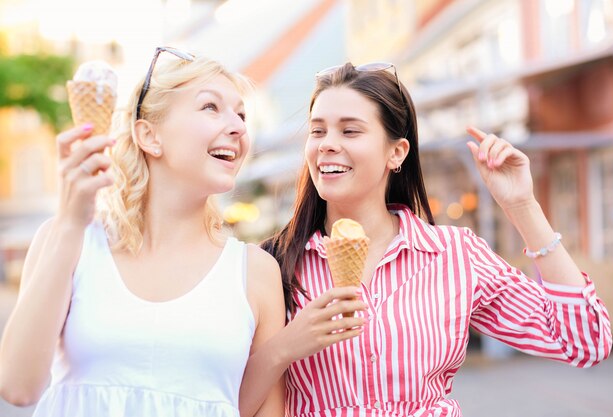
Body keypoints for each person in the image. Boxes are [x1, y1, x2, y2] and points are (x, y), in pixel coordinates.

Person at [0, 48, 362, 417]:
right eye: (210, 107)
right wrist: (70, 224)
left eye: (241, 114)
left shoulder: (255, 272)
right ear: (149, 135)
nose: (238, 127)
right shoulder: (70, 240)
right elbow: (18, 387)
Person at [254, 62, 613, 417]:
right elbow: (230, 397)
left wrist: (522, 206)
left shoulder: (455, 255)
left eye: (350, 131)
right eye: (318, 131)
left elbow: (585, 343)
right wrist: (285, 347)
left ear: (396, 153)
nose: (328, 145)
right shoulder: (272, 264)